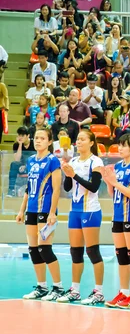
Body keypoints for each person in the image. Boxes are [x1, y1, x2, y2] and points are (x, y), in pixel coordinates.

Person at [57, 130, 105, 305]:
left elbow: (93, 187)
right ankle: (75, 290)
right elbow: (68, 187)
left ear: (91, 142)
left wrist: (74, 174)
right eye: (77, 139)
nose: (79, 142)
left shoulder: (96, 162)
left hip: (90, 210)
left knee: (92, 251)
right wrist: (67, 172)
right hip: (74, 210)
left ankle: (98, 291)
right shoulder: (75, 161)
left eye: (83, 139)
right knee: (75, 252)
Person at [103, 131, 130, 309]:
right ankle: (124, 292)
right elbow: (112, 193)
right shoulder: (118, 166)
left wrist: (115, 183)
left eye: (124, 145)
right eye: (119, 145)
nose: (120, 148)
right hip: (118, 215)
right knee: (121, 256)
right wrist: (108, 181)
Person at [17, 129, 63, 301]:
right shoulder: (30, 160)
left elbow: (57, 188)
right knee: (34, 250)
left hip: (45, 210)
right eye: (36, 138)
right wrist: (22, 210)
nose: (38, 141)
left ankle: (58, 287)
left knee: (45, 248)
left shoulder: (53, 161)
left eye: (42, 138)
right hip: (31, 209)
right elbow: (29, 188)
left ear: (49, 142)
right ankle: (41, 286)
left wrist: (52, 212)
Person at [8, 127, 36, 198]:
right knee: (13, 164)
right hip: (21, 166)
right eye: (19, 135)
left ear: (28, 136)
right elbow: (17, 159)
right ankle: (11, 190)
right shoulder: (16, 145)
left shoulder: (34, 143)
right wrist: (20, 144)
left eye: (22, 136)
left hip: (33, 165)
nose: (20, 137)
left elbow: (37, 158)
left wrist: (27, 165)